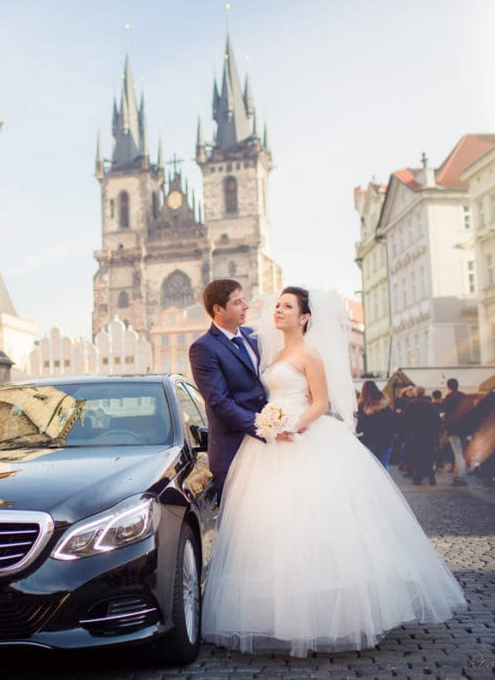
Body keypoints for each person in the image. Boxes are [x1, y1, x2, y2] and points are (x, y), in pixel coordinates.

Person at [202, 286, 466, 657]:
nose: (276, 310)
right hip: (267, 443)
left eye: (287, 306)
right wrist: (270, 425)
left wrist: (292, 424)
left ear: (305, 316)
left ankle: (330, 610)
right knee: (272, 529)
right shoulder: (269, 349)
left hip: (302, 436)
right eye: (277, 305)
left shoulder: (311, 353)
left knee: (319, 524)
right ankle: (278, 609)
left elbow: (321, 402)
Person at [188, 278, 266, 499]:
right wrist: (264, 427)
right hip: (234, 450)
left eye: (244, 300)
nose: (246, 306)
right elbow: (219, 402)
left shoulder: (254, 337)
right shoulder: (203, 348)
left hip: (271, 450)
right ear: (218, 309)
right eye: (237, 302)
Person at [401, 386, 441, 485]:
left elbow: (405, 420)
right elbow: (437, 420)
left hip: (415, 434)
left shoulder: (411, 404)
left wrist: (406, 433)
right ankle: (431, 476)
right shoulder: (431, 405)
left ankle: (418, 478)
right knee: (428, 455)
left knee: (417, 455)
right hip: (429, 434)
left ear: (416, 393)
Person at [356, 380, 398, 469]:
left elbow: (360, 426)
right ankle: (384, 483)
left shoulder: (362, 406)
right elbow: (392, 421)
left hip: (369, 439)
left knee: (373, 468)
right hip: (386, 440)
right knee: (383, 467)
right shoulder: (385, 405)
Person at [443, 378, 471, 486]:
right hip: (464, 429)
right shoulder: (463, 396)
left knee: (457, 453)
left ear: (448, 386)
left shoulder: (449, 398)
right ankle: (460, 474)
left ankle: (462, 476)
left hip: (453, 429)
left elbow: (446, 413)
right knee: (460, 453)